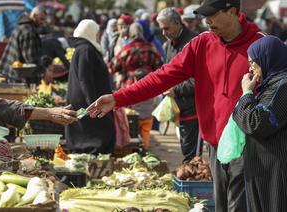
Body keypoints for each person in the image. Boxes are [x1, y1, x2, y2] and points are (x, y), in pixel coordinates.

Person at [87, 1, 264, 211]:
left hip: (249, 145)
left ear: (233, 12)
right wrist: (118, 99)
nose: (206, 21)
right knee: (222, 206)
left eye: (212, 15)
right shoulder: (202, 44)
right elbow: (162, 77)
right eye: (204, 15)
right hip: (216, 146)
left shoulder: (261, 45)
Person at [232, 35, 287, 212]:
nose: (251, 70)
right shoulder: (271, 85)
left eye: (253, 63)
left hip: (275, 173)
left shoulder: (283, 86)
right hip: (262, 169)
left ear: (267, 59)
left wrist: (246, 94)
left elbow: (255, 124)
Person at [109, 23, 163, 149]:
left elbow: (112, 67)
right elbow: (160, 66)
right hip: (148, 85)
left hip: (129, 85)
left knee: (130, 116)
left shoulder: (126, 49)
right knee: (146, 115)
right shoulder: (151, 48)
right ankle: (144, 144)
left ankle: (130, 143)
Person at [156, 8, 200, 163]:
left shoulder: (194, 42)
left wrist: (176, 90)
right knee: (186, 147)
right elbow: (166, 72)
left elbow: (199, 79)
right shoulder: (168, 45)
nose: (163, 33)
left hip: (193, 105)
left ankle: (191, 182)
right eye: (161, 29)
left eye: (166, 28)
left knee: (191, 152)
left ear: (177, 23)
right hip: (177, 106)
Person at [66, 20, 115, 154]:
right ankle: (92, 160)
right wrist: (93, 104)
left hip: (86, 100)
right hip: (87, 101)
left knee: (91, 131)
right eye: (97, 33)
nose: (98, 36)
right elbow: (85, 79)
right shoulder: (86, 49)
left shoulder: (85, 49)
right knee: (97, 132)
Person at [0, 6, 46, 82]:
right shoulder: (29, 31)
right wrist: (42, 73)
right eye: (41, 19)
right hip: (17, 75)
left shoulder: (22, 26)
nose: (43, 22)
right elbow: (30, 59)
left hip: (11, 72)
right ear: (34, 16)